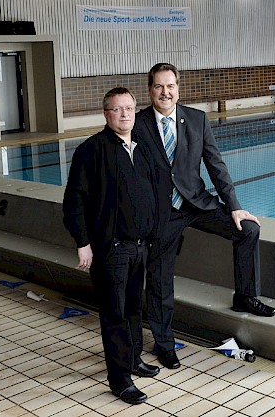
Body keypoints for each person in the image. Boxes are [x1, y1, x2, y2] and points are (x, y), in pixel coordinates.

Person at [135, 63, 275, 370]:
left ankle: (245, 297)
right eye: (159, 87)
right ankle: (164, 343)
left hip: (197, 204)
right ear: (150, 90)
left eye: (170, 86)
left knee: (247, 231)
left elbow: (216, 165)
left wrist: (234, 206)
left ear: (178, 88)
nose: (165, 92)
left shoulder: (196, 119)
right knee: (160, 276)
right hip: (162, 213)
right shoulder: (138, 124)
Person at [62, 87, 160, 405]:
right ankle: (119, 380)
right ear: (106, 114)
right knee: (115, 314)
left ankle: (132, 360)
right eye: (117, 109)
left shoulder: (141, 147)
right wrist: (83, 243)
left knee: (133, 309)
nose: (124, 114)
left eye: (129, 108)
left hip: (139, 246)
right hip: (111, 249)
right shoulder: (92, 151)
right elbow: (73, 201)